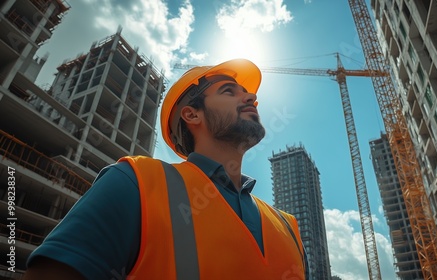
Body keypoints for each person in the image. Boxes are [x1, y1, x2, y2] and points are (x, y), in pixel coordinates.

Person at [24, 59, 309, 279]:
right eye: (229, 91)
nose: (251, 98)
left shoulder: (287, 225)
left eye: (248, 94)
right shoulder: (135, 182)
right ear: (191, 114)